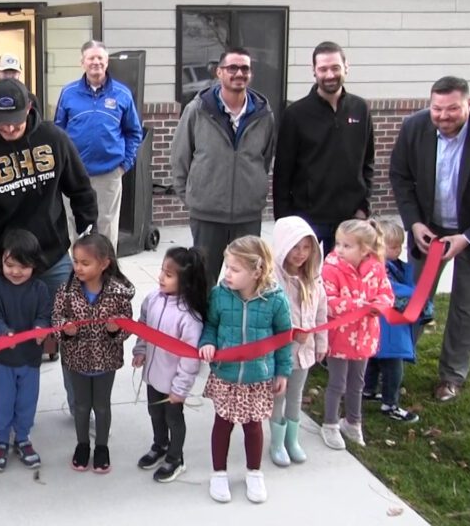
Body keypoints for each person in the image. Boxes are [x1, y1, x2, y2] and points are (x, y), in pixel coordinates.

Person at [0, 77, 99, 418]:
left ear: (30, 109)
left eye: (16, 121)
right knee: (9, 340)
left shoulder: (53, 138)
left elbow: (80, 189)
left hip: (52, 255)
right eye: (1, 123)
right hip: (5, 262)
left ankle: (81, 406)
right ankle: (10, 414)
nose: (8, 129)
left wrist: (88, 234)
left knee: (73, 331)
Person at [389, 75, 470, 402]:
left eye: (452, 108)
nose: (443, 116)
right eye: (437, 109)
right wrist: (414, 223)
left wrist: (468, 237)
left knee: (467, 310)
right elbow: (400, 176)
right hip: (429, 232)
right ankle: (395, 362)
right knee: (412, 299)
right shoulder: (414, 127)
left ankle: (451, 375)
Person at [170, 47, 277, 285]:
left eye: (245, 68)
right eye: (232, 68)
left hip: (247, 215)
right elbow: (180, 157)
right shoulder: (198, 110)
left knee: (247, 282)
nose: (239, 73)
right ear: (219, 72)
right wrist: (192, 198)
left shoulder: (263, 114)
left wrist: (254, 192)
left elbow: (265, 158)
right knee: (203, 283)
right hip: (207, 214)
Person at [199, 236, 292, 504]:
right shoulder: (219, 295)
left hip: (257, 377)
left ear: (256, 271)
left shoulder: (276, 300)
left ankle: (254, 473)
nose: (227, 273)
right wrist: (207, 342)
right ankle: (219, 473)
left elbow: (284, 338)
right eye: (227, 267)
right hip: (226, 374)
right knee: (222, 425)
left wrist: (282, 371)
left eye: (235, 269)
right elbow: (211, 325)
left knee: (253, 427)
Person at [273, 41, 374, 255]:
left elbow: (368, 163)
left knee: (346, 276)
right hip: (308, 221)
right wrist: (285, 224)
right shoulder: (295, 115)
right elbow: (282, 176)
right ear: (314, 71)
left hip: (350, 220)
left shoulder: (361, 109)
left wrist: (363, 208)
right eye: (323, 69)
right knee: (307, 276)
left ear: (346, 67)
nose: (329, 75)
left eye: (335, 68)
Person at [52, 232, 135, 474]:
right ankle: (82, 445)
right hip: (75, 360)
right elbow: (56, 319)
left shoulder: (118, 294)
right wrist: (65, 329)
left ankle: (101, 447)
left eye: (85, 263)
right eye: (76, 261)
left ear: (104, 264)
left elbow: (128, 325)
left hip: (105, 361)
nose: (78, 267)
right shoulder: (66, 291)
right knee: (81, 406)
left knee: (101, 406)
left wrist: (115, 330)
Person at [54, 40, 143, 247]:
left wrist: (124, 166)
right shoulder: (68, 93)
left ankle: (106, 266)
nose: (96, 62)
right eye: (91, 58)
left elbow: (134, 132)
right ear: (82, 62)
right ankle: (77, 265)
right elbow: (58, 133)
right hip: (73, 174)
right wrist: (62, 166)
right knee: (73, 225)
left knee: (106, 227)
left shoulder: (122, 94)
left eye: (100, 57)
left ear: (107, 61)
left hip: (108, 174)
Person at [132, 246, 208, 483]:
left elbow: (190, 358)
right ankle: (160, 445)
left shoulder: (189, 317)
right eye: (162, 270)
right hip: (153, 376)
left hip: (173, 383)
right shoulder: (152, 299)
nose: (161, 277)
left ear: (185, 281)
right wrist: (140, 350)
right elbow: (143, 326)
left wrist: (180, 388)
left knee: (173, 419)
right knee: (155, 413)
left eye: (169, 274)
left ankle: (176, 458)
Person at [320, 220, 394, 450]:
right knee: (337, 383)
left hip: (364, 336)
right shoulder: (330, 268)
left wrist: (379, 305)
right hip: (338, 337)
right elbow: (328, 302)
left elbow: (386, 294)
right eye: (338, 243)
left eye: (347, 245)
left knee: (357, 383)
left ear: (365, 249)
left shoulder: (376, 268)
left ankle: (353, 421)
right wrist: (361, 305)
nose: (339, 250)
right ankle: (330, 423)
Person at [0, 229, 52, 472]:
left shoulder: (40, 289)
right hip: (4, 359)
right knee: (2, 403)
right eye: (9, 264)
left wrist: (41, 329)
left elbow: (44, 316)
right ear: (1, 260)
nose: (15, 271)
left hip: (30, 359)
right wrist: (3, 332)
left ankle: (23, 438)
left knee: (27, 402)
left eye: (22, 266)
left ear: (34, 264)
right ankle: (1, 440)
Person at [269, 216, 328, 466]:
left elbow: (321, 312)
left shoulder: (314, 279)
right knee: (278, 396)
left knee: (296, 395)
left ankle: (292, 440)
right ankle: (276, 442)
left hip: (305, 353)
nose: (301, 253)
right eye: (295, 247)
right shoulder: (273, 282)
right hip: (280, 354)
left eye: (306, 247)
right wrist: (291, 332)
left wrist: (321, 342)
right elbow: (268, 317)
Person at [363, 221, 430, 423]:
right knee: (393, 367)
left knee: (374, 360)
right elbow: (395, 291)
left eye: (400, 246)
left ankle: (368, 390)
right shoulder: (382, 270)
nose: (398, 250)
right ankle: (390, 404)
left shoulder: (384, 266)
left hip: (381, 328)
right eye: (393, 246)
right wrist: (419, 297)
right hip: (390, 328)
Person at [0, 53, 41, 135]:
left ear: (19, 73)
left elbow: (38, 128)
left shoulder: (31, 99)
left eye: (13, 72)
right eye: (5, 72)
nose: (9, 76)